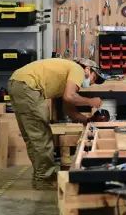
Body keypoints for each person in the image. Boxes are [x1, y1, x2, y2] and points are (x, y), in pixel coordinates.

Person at [8, 58, 106, 190]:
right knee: (41, 135)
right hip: (28, 86)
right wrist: (90, 101)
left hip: (17, 83)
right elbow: (70, 96)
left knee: (33, 136)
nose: (92, 83)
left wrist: (88, 120)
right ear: (88, 70)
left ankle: (41, 176)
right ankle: (44, 179)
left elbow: (69, 110)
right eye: (94, 78)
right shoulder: (78, 70)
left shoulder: (66, 78)